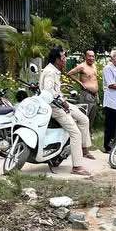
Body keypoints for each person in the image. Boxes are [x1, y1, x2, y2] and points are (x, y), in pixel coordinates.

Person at [40, 47, 94, 175]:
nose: (65, 60)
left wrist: (63, 101)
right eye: (63, 58)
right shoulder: (50, 72)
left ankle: (84, 149)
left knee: (84, 119)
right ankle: (77, 166)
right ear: (57, 60)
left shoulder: (55, 70)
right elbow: (49, 92)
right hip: (54, 107)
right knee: (75, 133)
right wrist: (62, 102)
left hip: (60, 103)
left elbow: (56, 91)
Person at [68, 49, 100, 125]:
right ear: (85, 56)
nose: (91, 58)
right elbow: (69, 73)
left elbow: (94, 80)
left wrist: (97, 94)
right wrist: (80, 83)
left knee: (92, 117)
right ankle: (82, 134)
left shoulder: (94, 66)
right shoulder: (82, 66)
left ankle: (89, 134)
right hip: (86, 95)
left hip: (94, 96)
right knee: (84, 117)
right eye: (89, 56)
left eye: (93, 56)